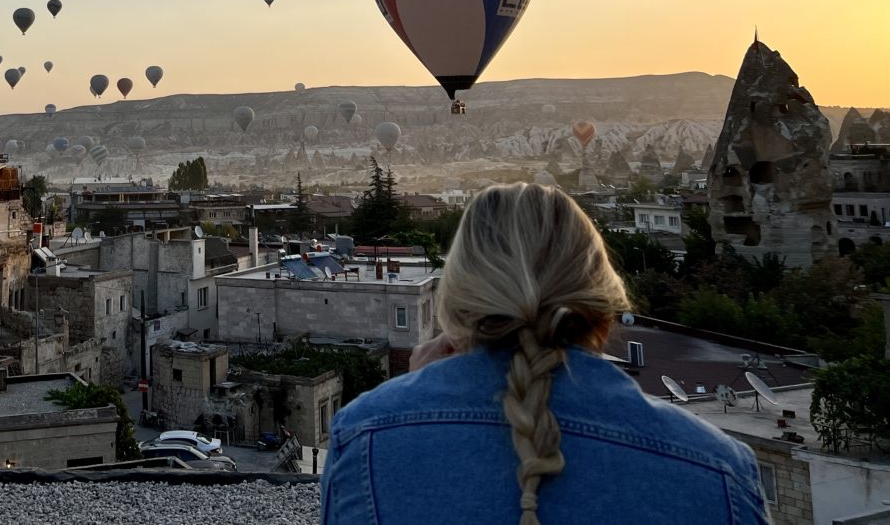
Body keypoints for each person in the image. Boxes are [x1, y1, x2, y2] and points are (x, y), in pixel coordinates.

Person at [322, 183, 768, 525]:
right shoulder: (717, 468)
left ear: (457, 305)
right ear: (603, 305)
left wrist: (415, 394)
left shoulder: (366, 438)